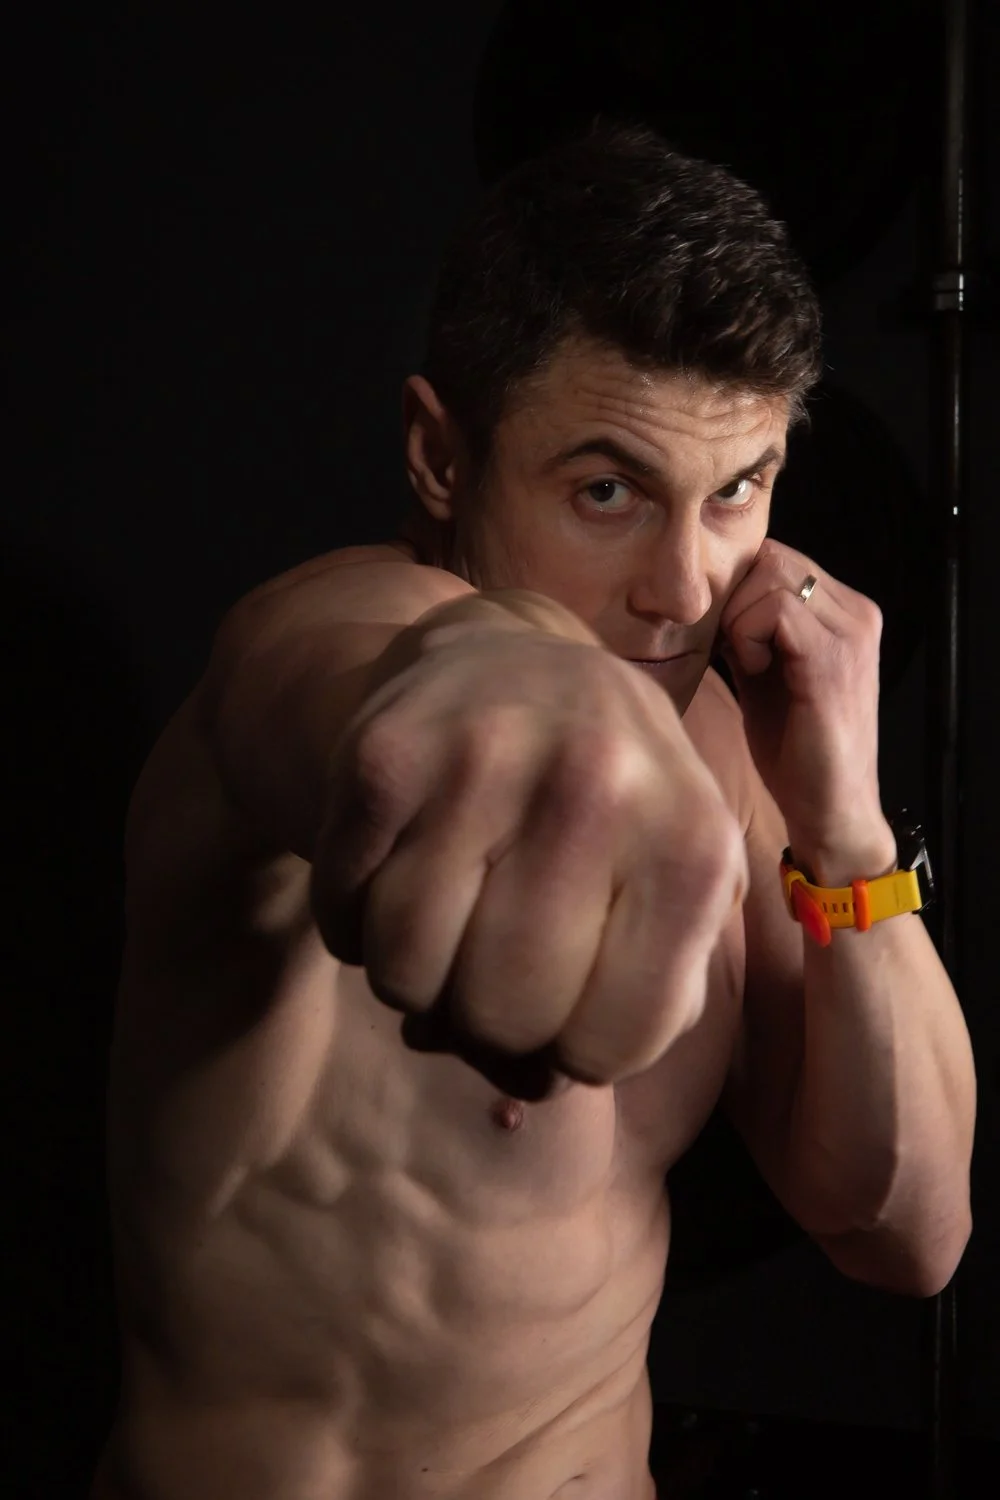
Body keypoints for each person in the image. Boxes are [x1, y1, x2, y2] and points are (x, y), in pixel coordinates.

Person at [93, 124, 976, 1500]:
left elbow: (903, 1232)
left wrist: (844, 818)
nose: (683, 589)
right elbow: (355, 683)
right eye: (607, 492)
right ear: (442, 457)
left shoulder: (735, 751)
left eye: (735, 492)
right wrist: (499, 666)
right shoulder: (314, 651)